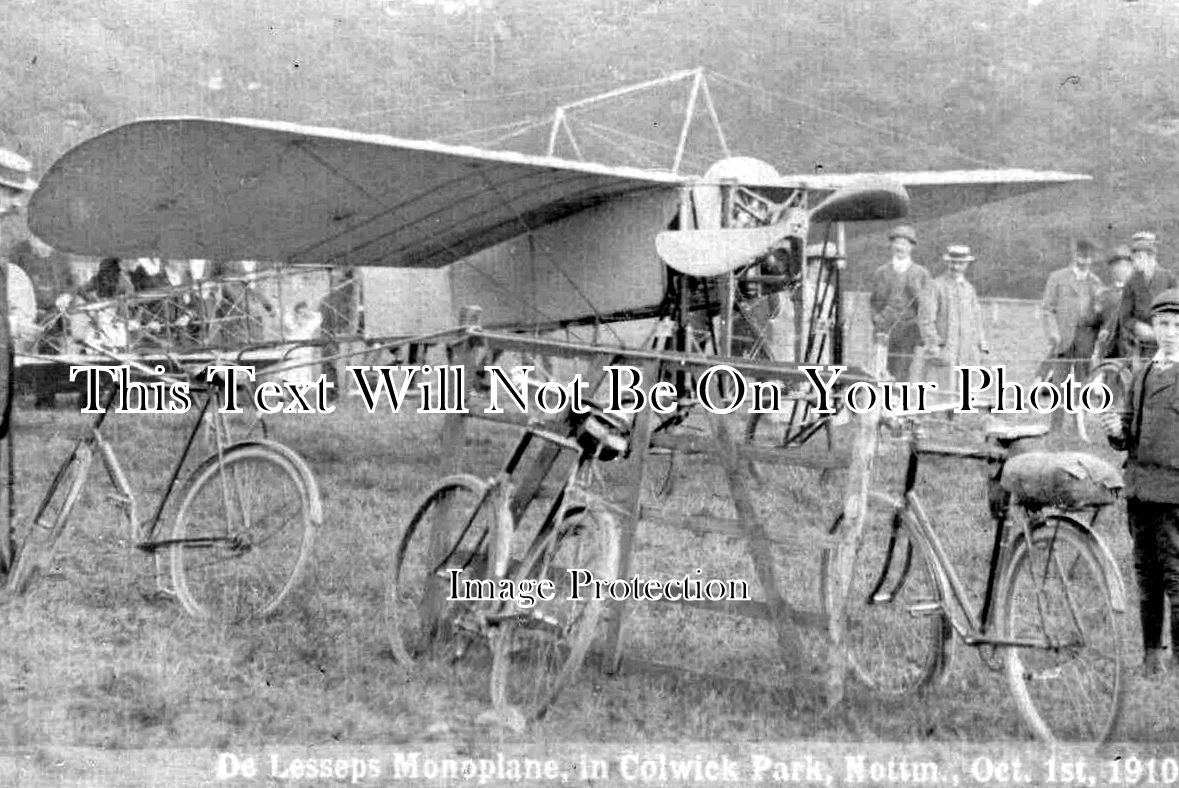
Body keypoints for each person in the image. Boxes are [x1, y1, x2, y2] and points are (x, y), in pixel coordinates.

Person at [1102, 288, 1179, 676]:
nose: (1169, 333)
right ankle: (1152, 657)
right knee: (1147, 578)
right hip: (1139, 493)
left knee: (1176, 577)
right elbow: (1126, 433)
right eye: (1163, 324)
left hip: (1173, 495)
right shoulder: (1143, 372)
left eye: (1177, 326)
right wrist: (1115, 430)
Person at [1040, 238, 1103, 428]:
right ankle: (1056, 427)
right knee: (1059, 384)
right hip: (1063, 342)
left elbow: (1099, 314)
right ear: (1074, 256)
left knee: (1081, 386)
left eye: (1089, 258)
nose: (1085, 261)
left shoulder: (1095, 282)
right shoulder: (1058, 278)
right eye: (1081, 257)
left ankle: (1078, 427)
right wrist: (1053, 333)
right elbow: (1047, 309)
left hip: (1085, 344)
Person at [868, 224, 936, 382]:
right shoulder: (881, 272)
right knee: (880, 372)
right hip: (884, 333)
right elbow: (874, 302)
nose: (899, 247)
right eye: (896, 243)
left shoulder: (921, 274)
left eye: (904, 244)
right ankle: (881, 405)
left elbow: (926, 307)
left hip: (908, 334)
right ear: (891, 245)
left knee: (902, 374)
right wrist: (878, 320)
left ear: (911, 247)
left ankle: (898, 404)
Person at [926, 245, 989, 392]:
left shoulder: (969, 289)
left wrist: (982, 346)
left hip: (966, 351)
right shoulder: (936, 286)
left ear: (966, 265)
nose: (956, 267)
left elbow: (976, 321)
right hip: (944, 350)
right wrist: (934, 345)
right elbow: (927, 319)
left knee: (964, 393)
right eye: (953, 263)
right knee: (942, 394)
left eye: (960, 263)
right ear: (947, 263)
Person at [1121, 233, 1176, 361]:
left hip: (1167, 341)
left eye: (1139, 257)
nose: (1135, 263)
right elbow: (1125, 317)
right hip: (1142, 346)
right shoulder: (1131, 282)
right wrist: (1137, 326)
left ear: (1151, 257)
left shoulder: (1168, 279)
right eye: (1134, 258)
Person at [1093, 244, 1133, 363]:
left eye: (1126, 265)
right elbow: (1094, 323)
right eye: (1118, 265)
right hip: (1108, 350)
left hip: (1133, 349)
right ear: (1111, 268)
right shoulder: (1102, 295)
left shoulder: (1139, 294)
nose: (1122, 269)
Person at [281, 301, 323, 388]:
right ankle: (288, 388)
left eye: (304, 312)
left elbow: (317, 317)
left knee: (303, 369)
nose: (302, 315)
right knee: (290, 368)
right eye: (299, 312)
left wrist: (307, 314)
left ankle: (299, 389)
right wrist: (297, 317)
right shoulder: (291, 321)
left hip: (305, 350)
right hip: (293, 348)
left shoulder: (310, 322)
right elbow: (287, 319)